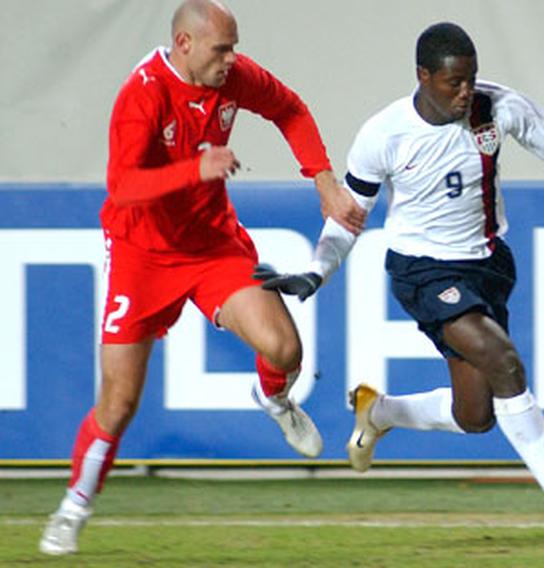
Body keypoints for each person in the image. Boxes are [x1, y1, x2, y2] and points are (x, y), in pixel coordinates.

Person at [256, 22, 544, 541]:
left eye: (471, 79)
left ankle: (377, 411)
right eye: (454, 83)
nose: (466, 92)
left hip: (488, 267)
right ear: (423, 76)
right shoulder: (383, 134)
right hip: (422, 272)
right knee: (505, 362)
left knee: (475, 416)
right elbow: (348, 216)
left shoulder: (500, 108)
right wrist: (317, 271)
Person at [38, 0, 365, 556]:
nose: (231, 60)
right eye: (221, 49)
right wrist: (197, 168)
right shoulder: (142, 93)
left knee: (285, 349)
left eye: (234, 47)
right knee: (119, 402)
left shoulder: (233, 78)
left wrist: (325, 183)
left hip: (212, 246)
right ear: (184, 44)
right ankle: (73, 508)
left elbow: (289, 108)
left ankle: (274, 401)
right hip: (141, 254)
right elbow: (122, 187)